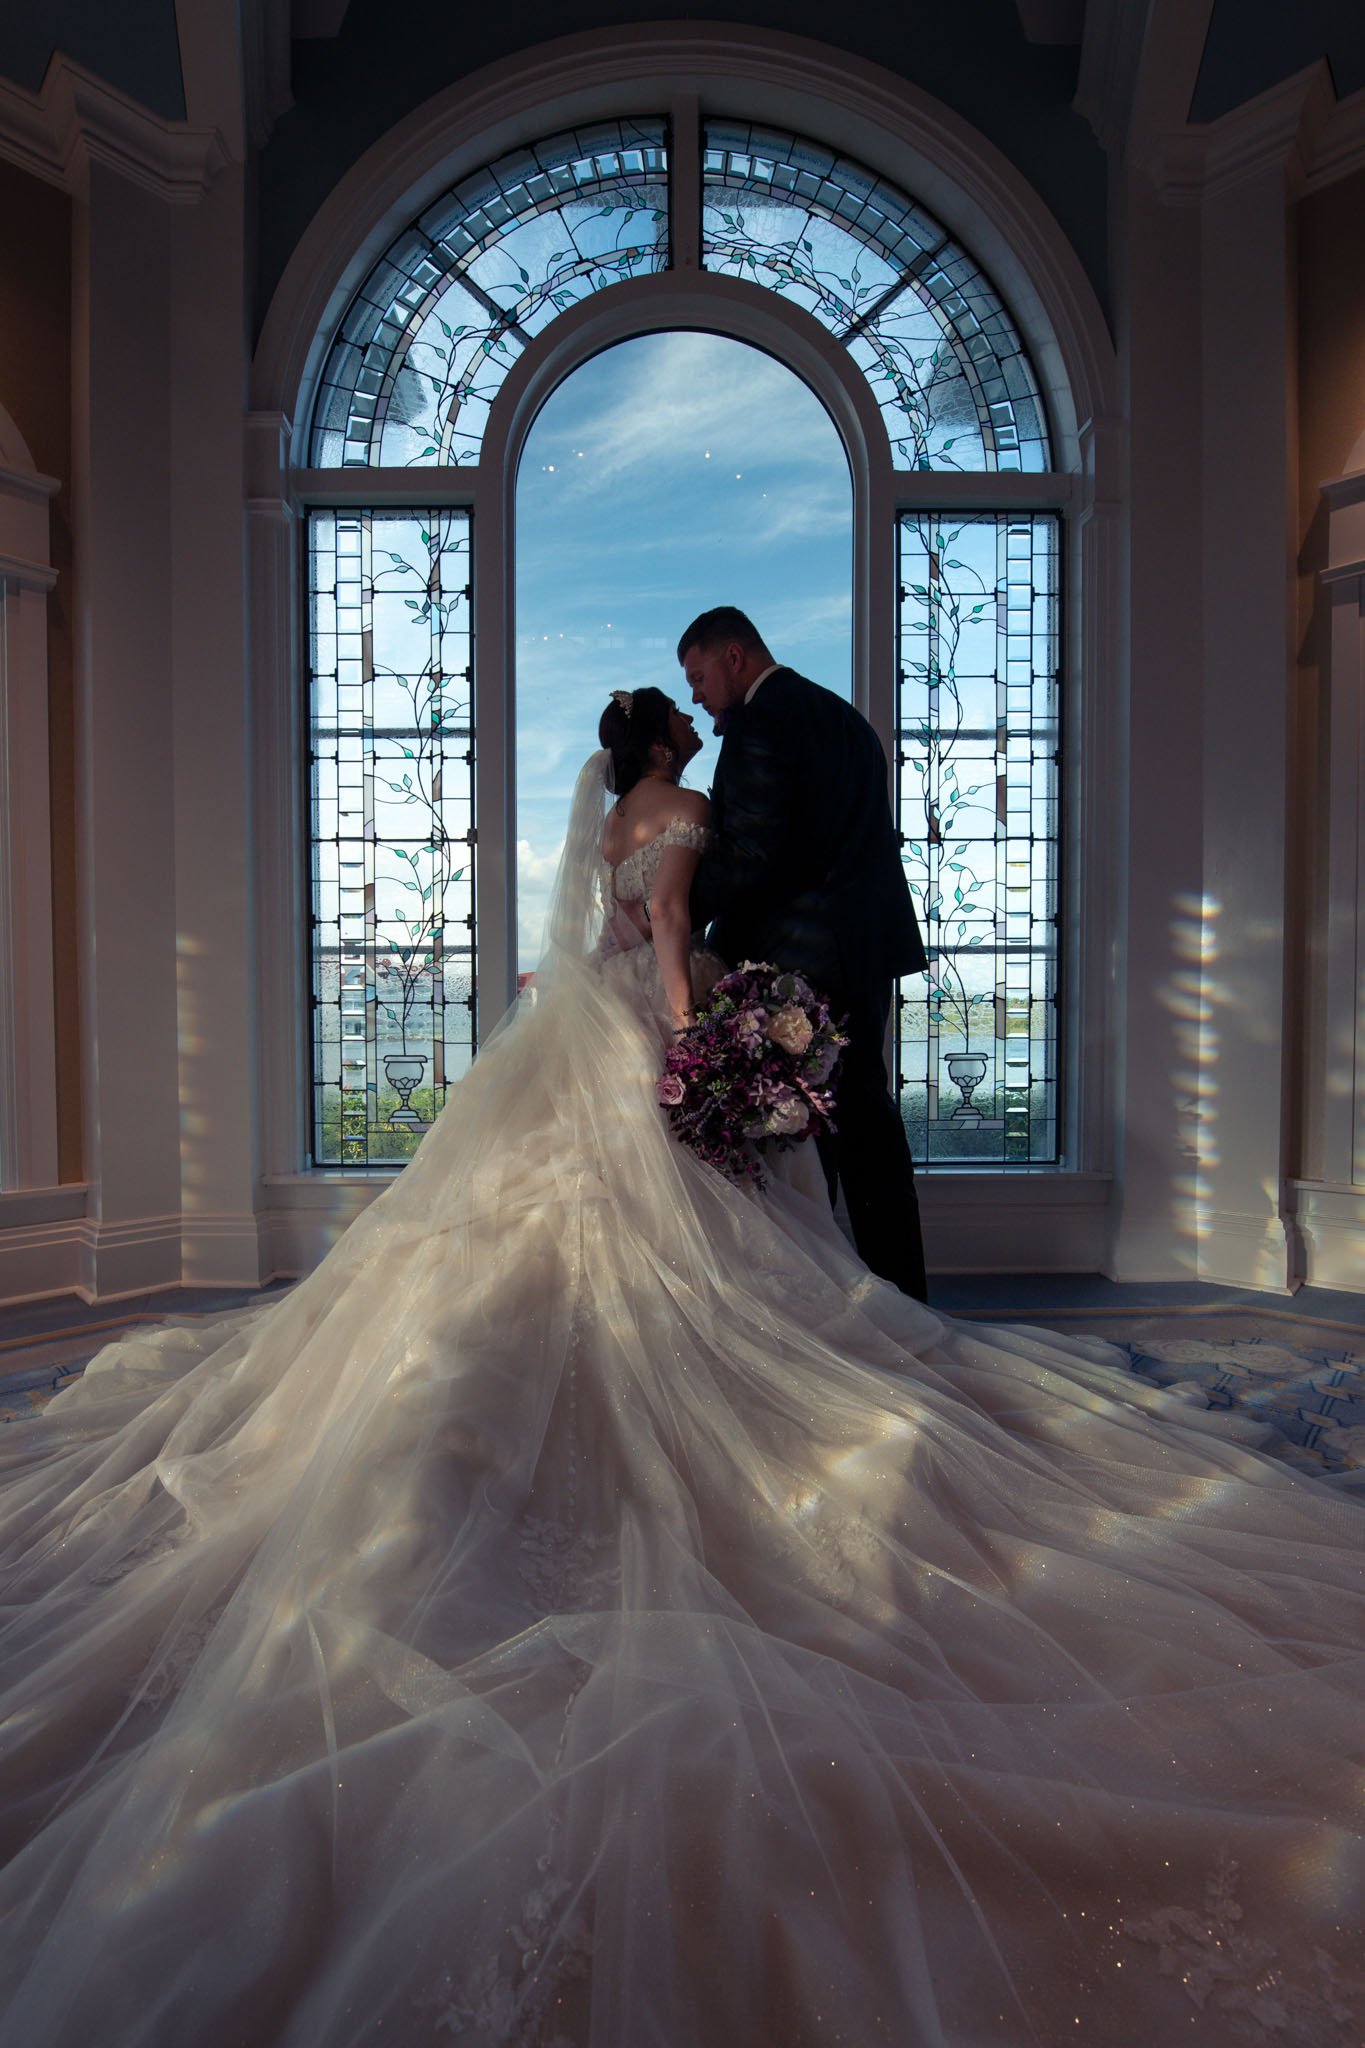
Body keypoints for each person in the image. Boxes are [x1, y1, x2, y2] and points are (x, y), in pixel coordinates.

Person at [1, 697, 1364, 2048]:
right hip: (633, 1027)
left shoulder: (604, 824)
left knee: (518, 1245)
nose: (703, 748)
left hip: (563, 1040)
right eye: (694, 731)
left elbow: (613, 918)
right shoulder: (683, 814)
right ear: (674, 745)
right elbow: (668, 931)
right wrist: (694, 1047)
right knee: (683, 1255)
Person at [679, 606, 929, 1300]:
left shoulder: (764, 724)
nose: (696, 697)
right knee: (866, 1125)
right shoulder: (841, 717)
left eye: (698, 677)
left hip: (804, 963)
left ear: (734, 656)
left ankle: (825, 1306)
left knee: (801, 1140)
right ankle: (899, 1293)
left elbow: (752, 859)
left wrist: (665, 917)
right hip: (863, 951)